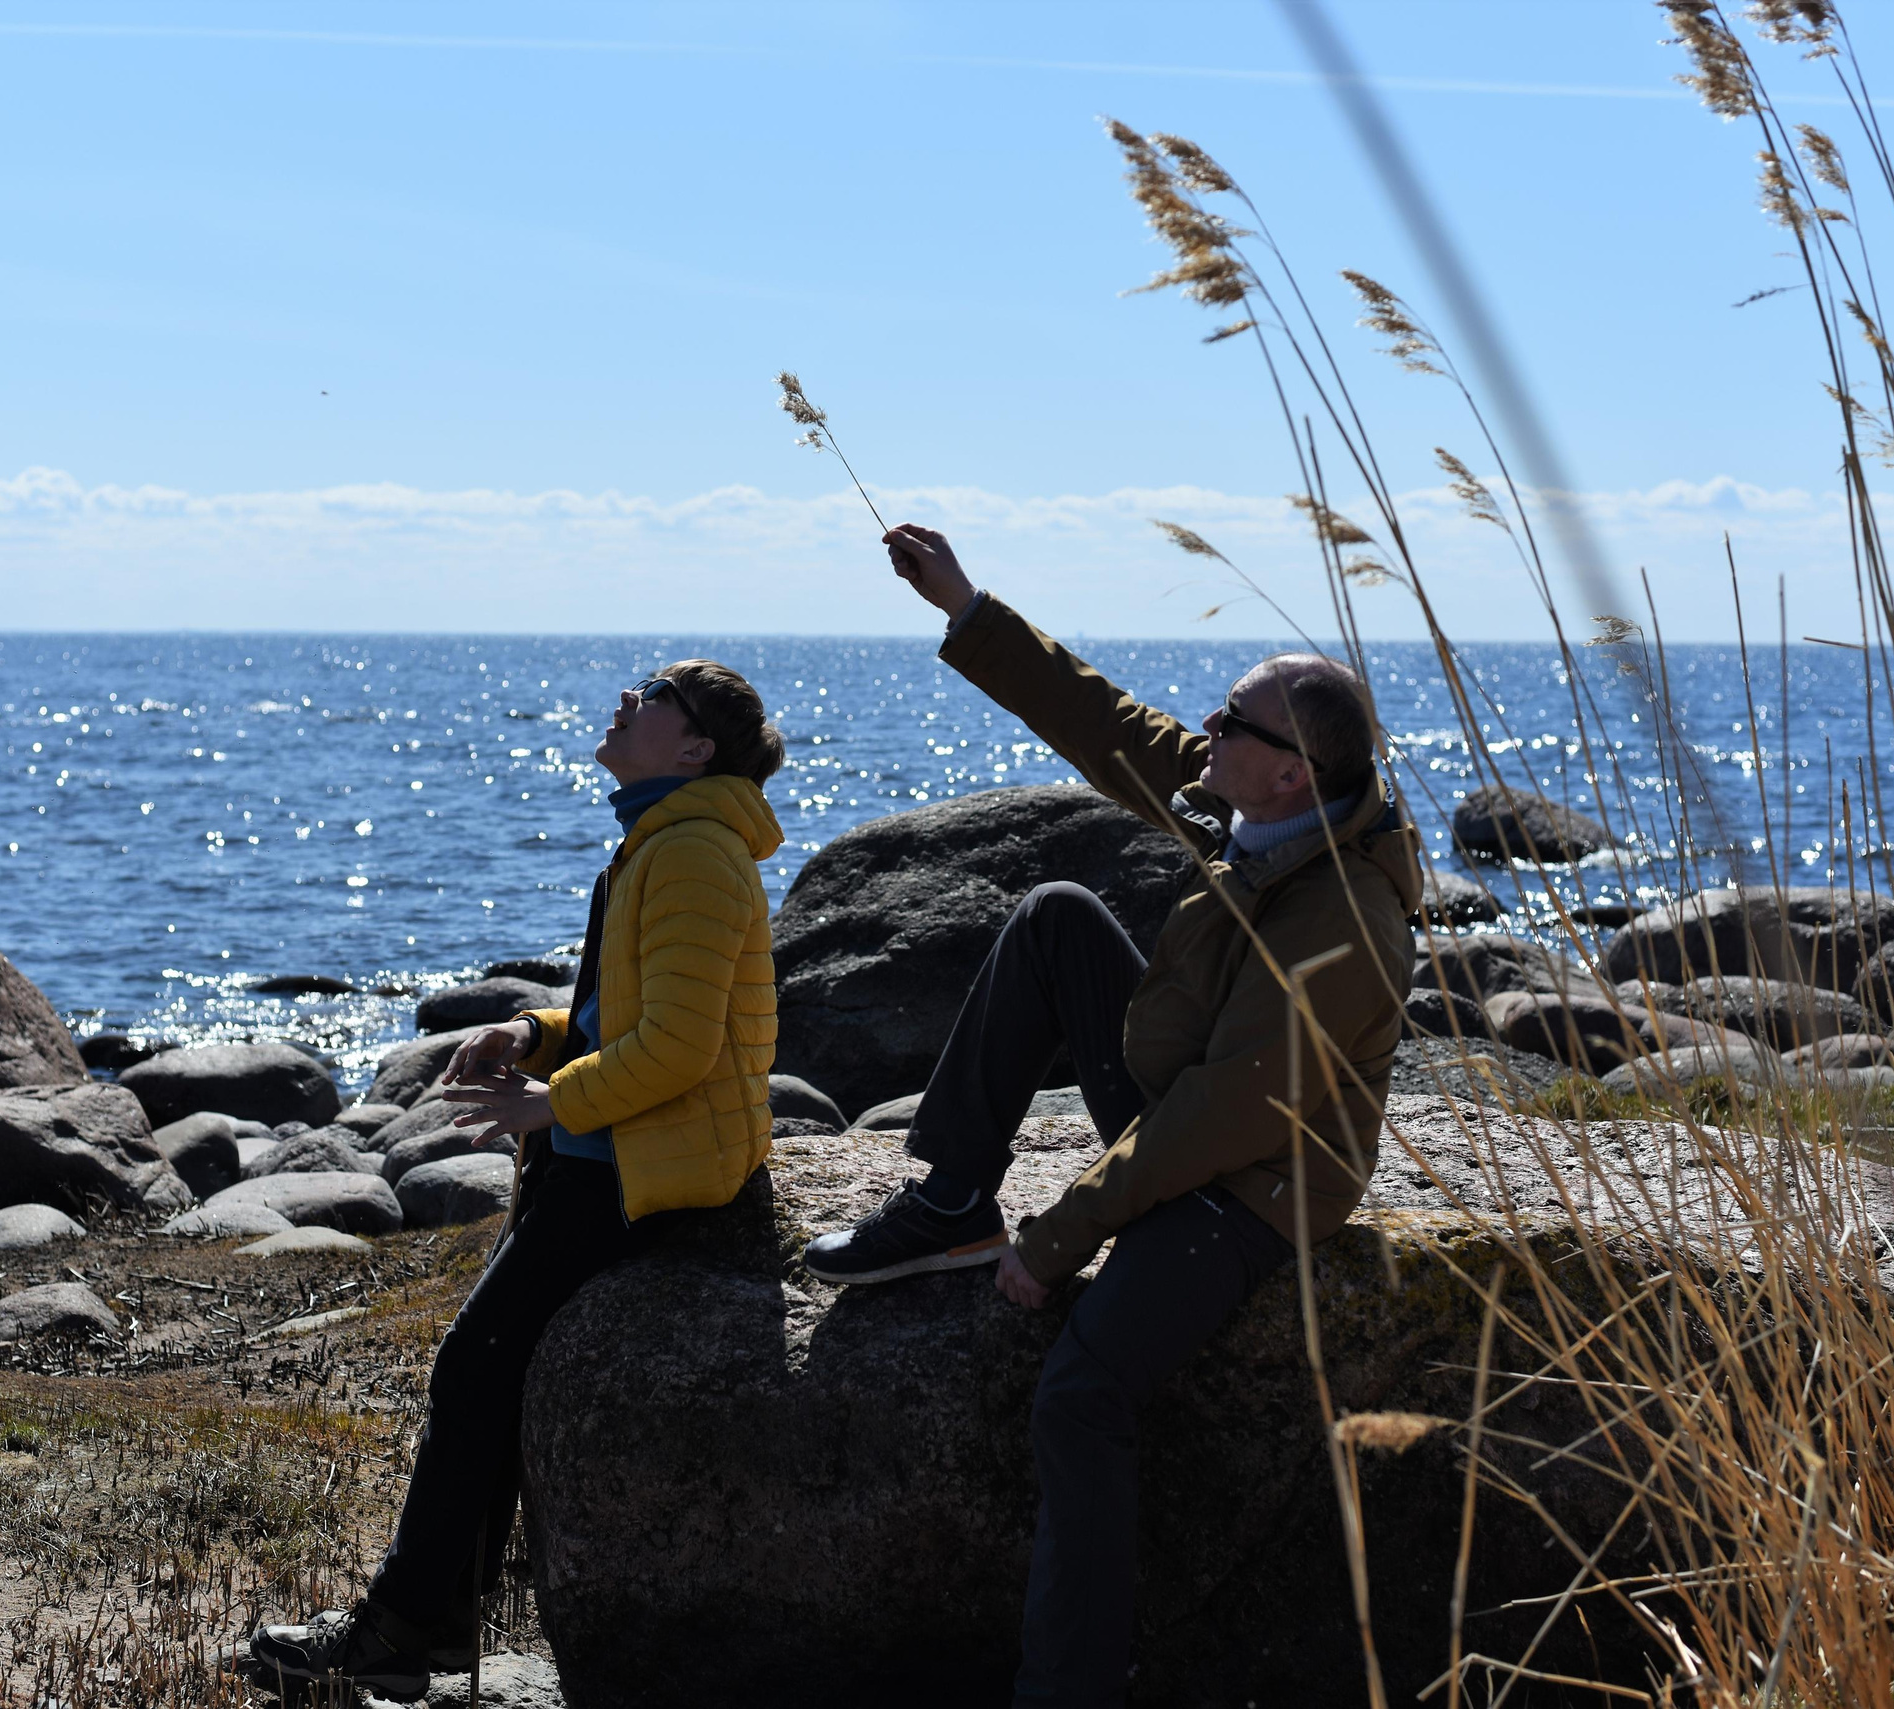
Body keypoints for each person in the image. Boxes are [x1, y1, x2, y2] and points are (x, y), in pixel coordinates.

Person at [801, 524, 1421, 1707]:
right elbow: (1108, 724)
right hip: (1188, 1105)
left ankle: (1067, 1687)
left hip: (1253, 1180)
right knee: (1054, 915)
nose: (1205, 732)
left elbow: (1221, 1118)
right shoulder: (1259, 819)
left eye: (1231, 722)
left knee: (1082, 1393)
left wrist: (1064, 1231)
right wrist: (966, 604)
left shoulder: (1343, 918)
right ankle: (947, 1194)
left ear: (1290, 769)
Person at [249, 661, 786, 1700]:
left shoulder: (692, 853)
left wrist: (550, 1104)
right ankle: (425, 1623)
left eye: (656, 692)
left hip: (640, 1173)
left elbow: (676, 1047)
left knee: (474, 1368)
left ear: (694, 749)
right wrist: (532, 1032)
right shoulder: (666, 836)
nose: (628, 698)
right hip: (609, 1155)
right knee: (483, 1371)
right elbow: (623, 1017)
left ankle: (400, 1630)